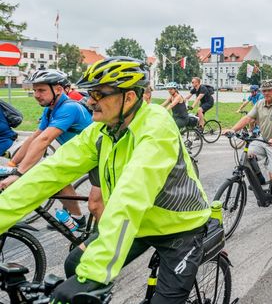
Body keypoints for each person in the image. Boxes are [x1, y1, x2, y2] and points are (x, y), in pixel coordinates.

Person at [0, 57, 211, 303]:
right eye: (90, 94)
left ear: (128, 97)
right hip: (139, 225)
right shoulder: (104, 129)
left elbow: (130, 196)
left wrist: (93, 274)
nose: (90, 101)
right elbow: (52, 171)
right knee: (75, 263)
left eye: (98, 94)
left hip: (179, 228)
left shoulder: (156, 127)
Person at [0, 69, 95, 224]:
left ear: (58, 89)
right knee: (56, 179)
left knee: (96, 204)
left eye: (41, 90)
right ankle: (78, 218)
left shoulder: (69, 108)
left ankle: (106, 234)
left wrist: (18, 173)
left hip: (96, 155)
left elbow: (44, 140)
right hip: (79, 154)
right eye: (35, 90)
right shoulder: (49, 110)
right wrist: (12, 165)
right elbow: (34, 138)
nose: (36, 95)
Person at [225, 79, 272, 214]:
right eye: (264, 90)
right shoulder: (260, 103)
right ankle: (260, 180)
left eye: (269, 90)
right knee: (248, 154)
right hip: (264, 139)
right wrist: (233, 129)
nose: (266, 93)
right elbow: (248, 118)